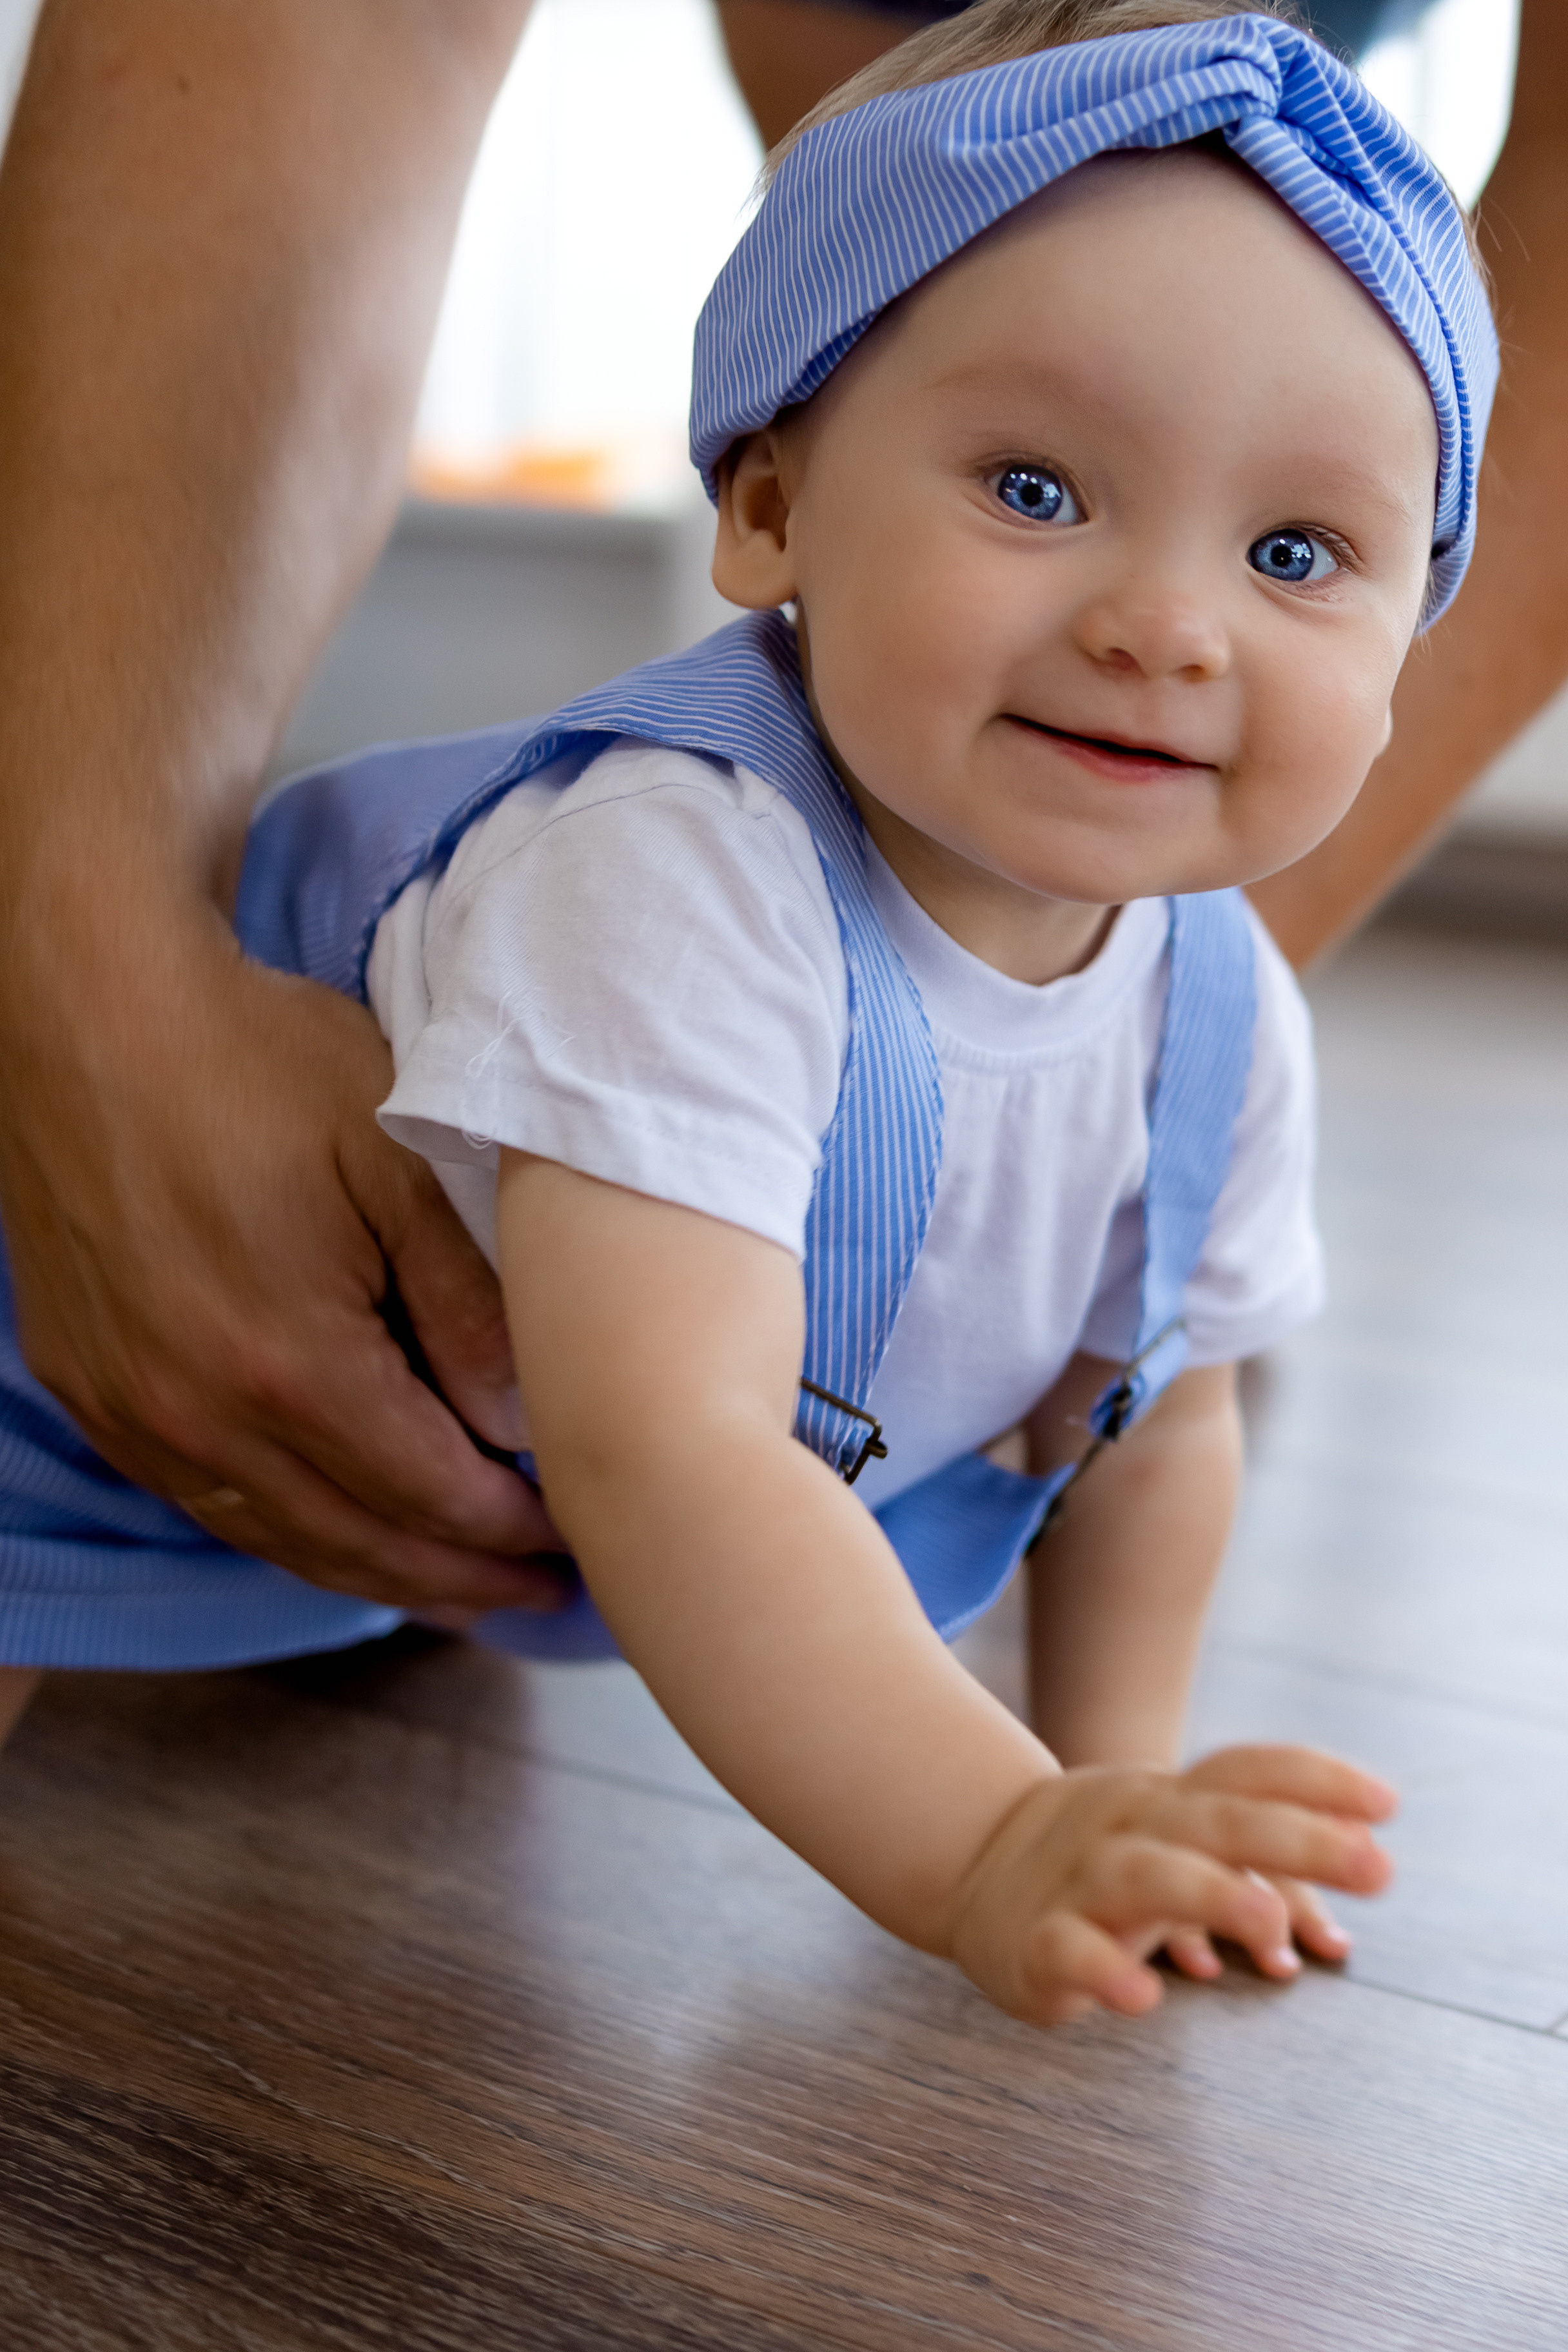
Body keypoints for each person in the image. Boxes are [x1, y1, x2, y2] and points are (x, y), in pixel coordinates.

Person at [0, 3, 1497, 2026]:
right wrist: (981, 1840)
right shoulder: (676, 879)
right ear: (769, 511)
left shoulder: (1217, 1004)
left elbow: (1155, 1418)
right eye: (1040, 490)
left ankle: (349, 1606)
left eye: (1299, 551)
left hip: (470, 1463)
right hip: (82, 1373)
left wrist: (1108, 1778)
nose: (1171, 622)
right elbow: (674, 1450)